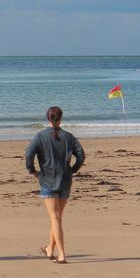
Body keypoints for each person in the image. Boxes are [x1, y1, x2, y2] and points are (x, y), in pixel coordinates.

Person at [25, 106, 85, 264]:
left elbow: (29, 155)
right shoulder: (69, 137)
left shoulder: (40, 137)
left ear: (48, 119)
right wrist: (72, 170)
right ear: (61, 118)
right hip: (64, 180)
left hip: (48, 181)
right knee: (57, 218)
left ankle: (62, 254)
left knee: (55, 217)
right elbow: (81, 156)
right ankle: (50, 249)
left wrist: (33, 171)